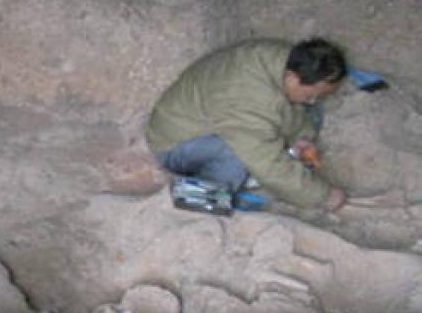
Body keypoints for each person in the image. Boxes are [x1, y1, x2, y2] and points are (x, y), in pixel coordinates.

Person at [147, 38, 349, 212]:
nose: (312, 100)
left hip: (215, 116)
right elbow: (268, 164)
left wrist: (301, 138)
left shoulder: (285, 60)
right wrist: (324, 196)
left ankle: (244, 178)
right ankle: (194, 197)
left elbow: (287, 107)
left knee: (311, 113)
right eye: (310, 95)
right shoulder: (248, 99)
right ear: (292, 78)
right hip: (175, 141)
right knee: (238, 156)